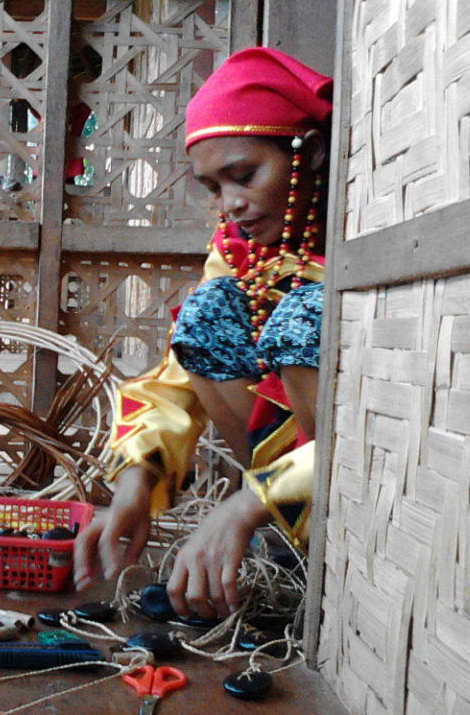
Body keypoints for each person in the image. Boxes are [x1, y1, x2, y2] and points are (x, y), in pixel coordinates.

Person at [73, 47, 332, 623]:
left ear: (310, 153)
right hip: (281, 486)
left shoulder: (359, 229)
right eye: (213, 187)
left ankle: (301, 514)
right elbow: (175, 377)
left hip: (351, 474)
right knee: (203, 313)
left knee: (304, 314)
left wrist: (248, 503)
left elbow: (377, 422)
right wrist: (135, 483)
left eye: (244, 176)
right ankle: (296, 537)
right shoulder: (237, 251)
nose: (231, 204)